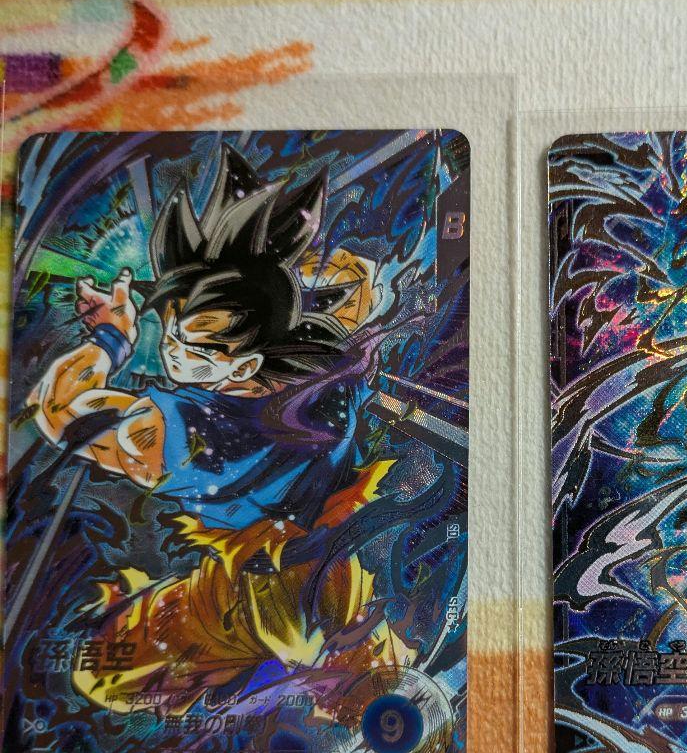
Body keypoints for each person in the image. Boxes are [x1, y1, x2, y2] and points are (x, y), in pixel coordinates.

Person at [30, 145, 411, 714]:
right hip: (328, 574)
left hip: (277, 592)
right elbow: (358, 280)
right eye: (172, 334)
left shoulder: (173, 434)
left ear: (245, 363)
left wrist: (110, 337)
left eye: (195, 350)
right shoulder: (331, 373)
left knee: (105, 670)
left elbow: (59, 408)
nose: (173, 356)